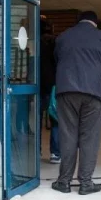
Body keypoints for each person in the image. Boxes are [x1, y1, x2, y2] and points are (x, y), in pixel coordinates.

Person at [52, 11, 101, 195]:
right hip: (95, 94)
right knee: (89, 138)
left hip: (66, 92)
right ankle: (85, 183)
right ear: (95, 23)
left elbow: (56, 62)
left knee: (68, 136)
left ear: (78, 22)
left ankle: (64, 182)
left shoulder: (63, 37)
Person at [40, 19, 60, 163]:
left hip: (36, 86)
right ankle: (55, 153)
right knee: (55, 121)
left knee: (36, 120)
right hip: (54, 85)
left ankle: (35, 151)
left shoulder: (35, 42)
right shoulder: (56, 43)